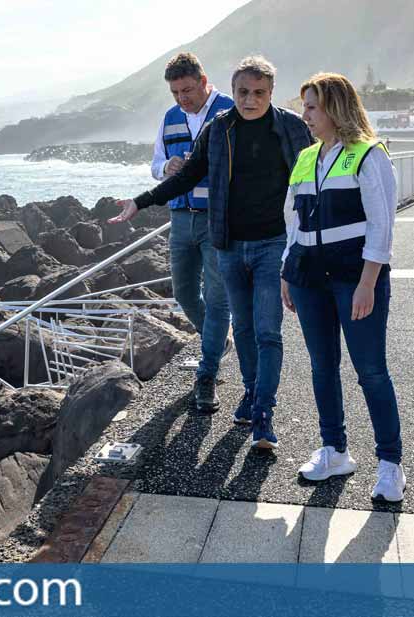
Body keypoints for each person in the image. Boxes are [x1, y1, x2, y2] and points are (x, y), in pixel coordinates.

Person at [112, 55, 312, 449]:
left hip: (274, 244)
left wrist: (308, 243)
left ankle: (263, 414)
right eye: (243, 92)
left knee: (267, 331)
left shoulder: (290, 127)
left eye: (259, 93)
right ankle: (252, 393)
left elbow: (312, 182)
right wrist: (142, 200)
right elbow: (188, 173)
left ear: (270, 93)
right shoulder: (220, 129)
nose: (250, 100)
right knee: (243, 328)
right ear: (233, 91)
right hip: (230, 245)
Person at [281, 72, 405, 501]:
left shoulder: (369, 155)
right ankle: (334, 450)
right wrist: (286, 272)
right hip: (309, 279)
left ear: (335, 108)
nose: (306, 115)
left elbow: (382, 226)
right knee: (321, 367)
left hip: (355, 278)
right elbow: (292, 221)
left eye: (312, 107)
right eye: (305, 107)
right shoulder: (306, 158)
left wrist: (368, 283)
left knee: (371, 371)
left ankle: (390, 464)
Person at [148, 52, 236, 413]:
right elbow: (154, 165)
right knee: (184, 293)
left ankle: (207, 374)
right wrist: (165, 166)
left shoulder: (231, 109)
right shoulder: (169, 119)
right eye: (175, 92)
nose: (182, 98)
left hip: (219, 217)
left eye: (186, 89)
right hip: (180, 218)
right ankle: (217, 341)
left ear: (203, 81)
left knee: (217, 299)